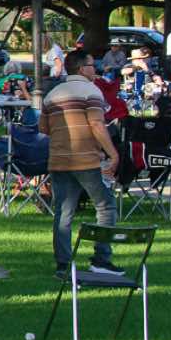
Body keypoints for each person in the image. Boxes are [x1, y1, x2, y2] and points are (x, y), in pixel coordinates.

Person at [41, 48, 123, 276]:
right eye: (91, 65)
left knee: (64, 212)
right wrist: (113, 153)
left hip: (59, 160)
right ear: (81, 69)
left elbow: (43, 128)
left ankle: (63, 264)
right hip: (86, 159)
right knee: (105, 205)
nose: (95, 69)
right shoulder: (91, 91)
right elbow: (97, 124)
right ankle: (101, 259)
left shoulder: (52, 95)